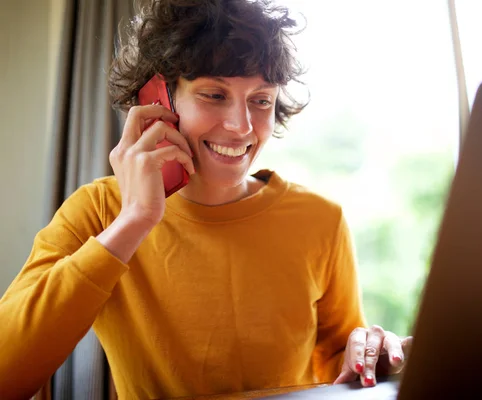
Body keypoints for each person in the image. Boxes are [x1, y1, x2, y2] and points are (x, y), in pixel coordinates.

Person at [0, 0, 412, 398]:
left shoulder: (322, 219)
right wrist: (135, 221)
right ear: (158, 100)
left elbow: (340, 367)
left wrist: (377, 358)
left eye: (261, 100)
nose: (241, 126)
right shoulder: (100, 211)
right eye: (214, 95)